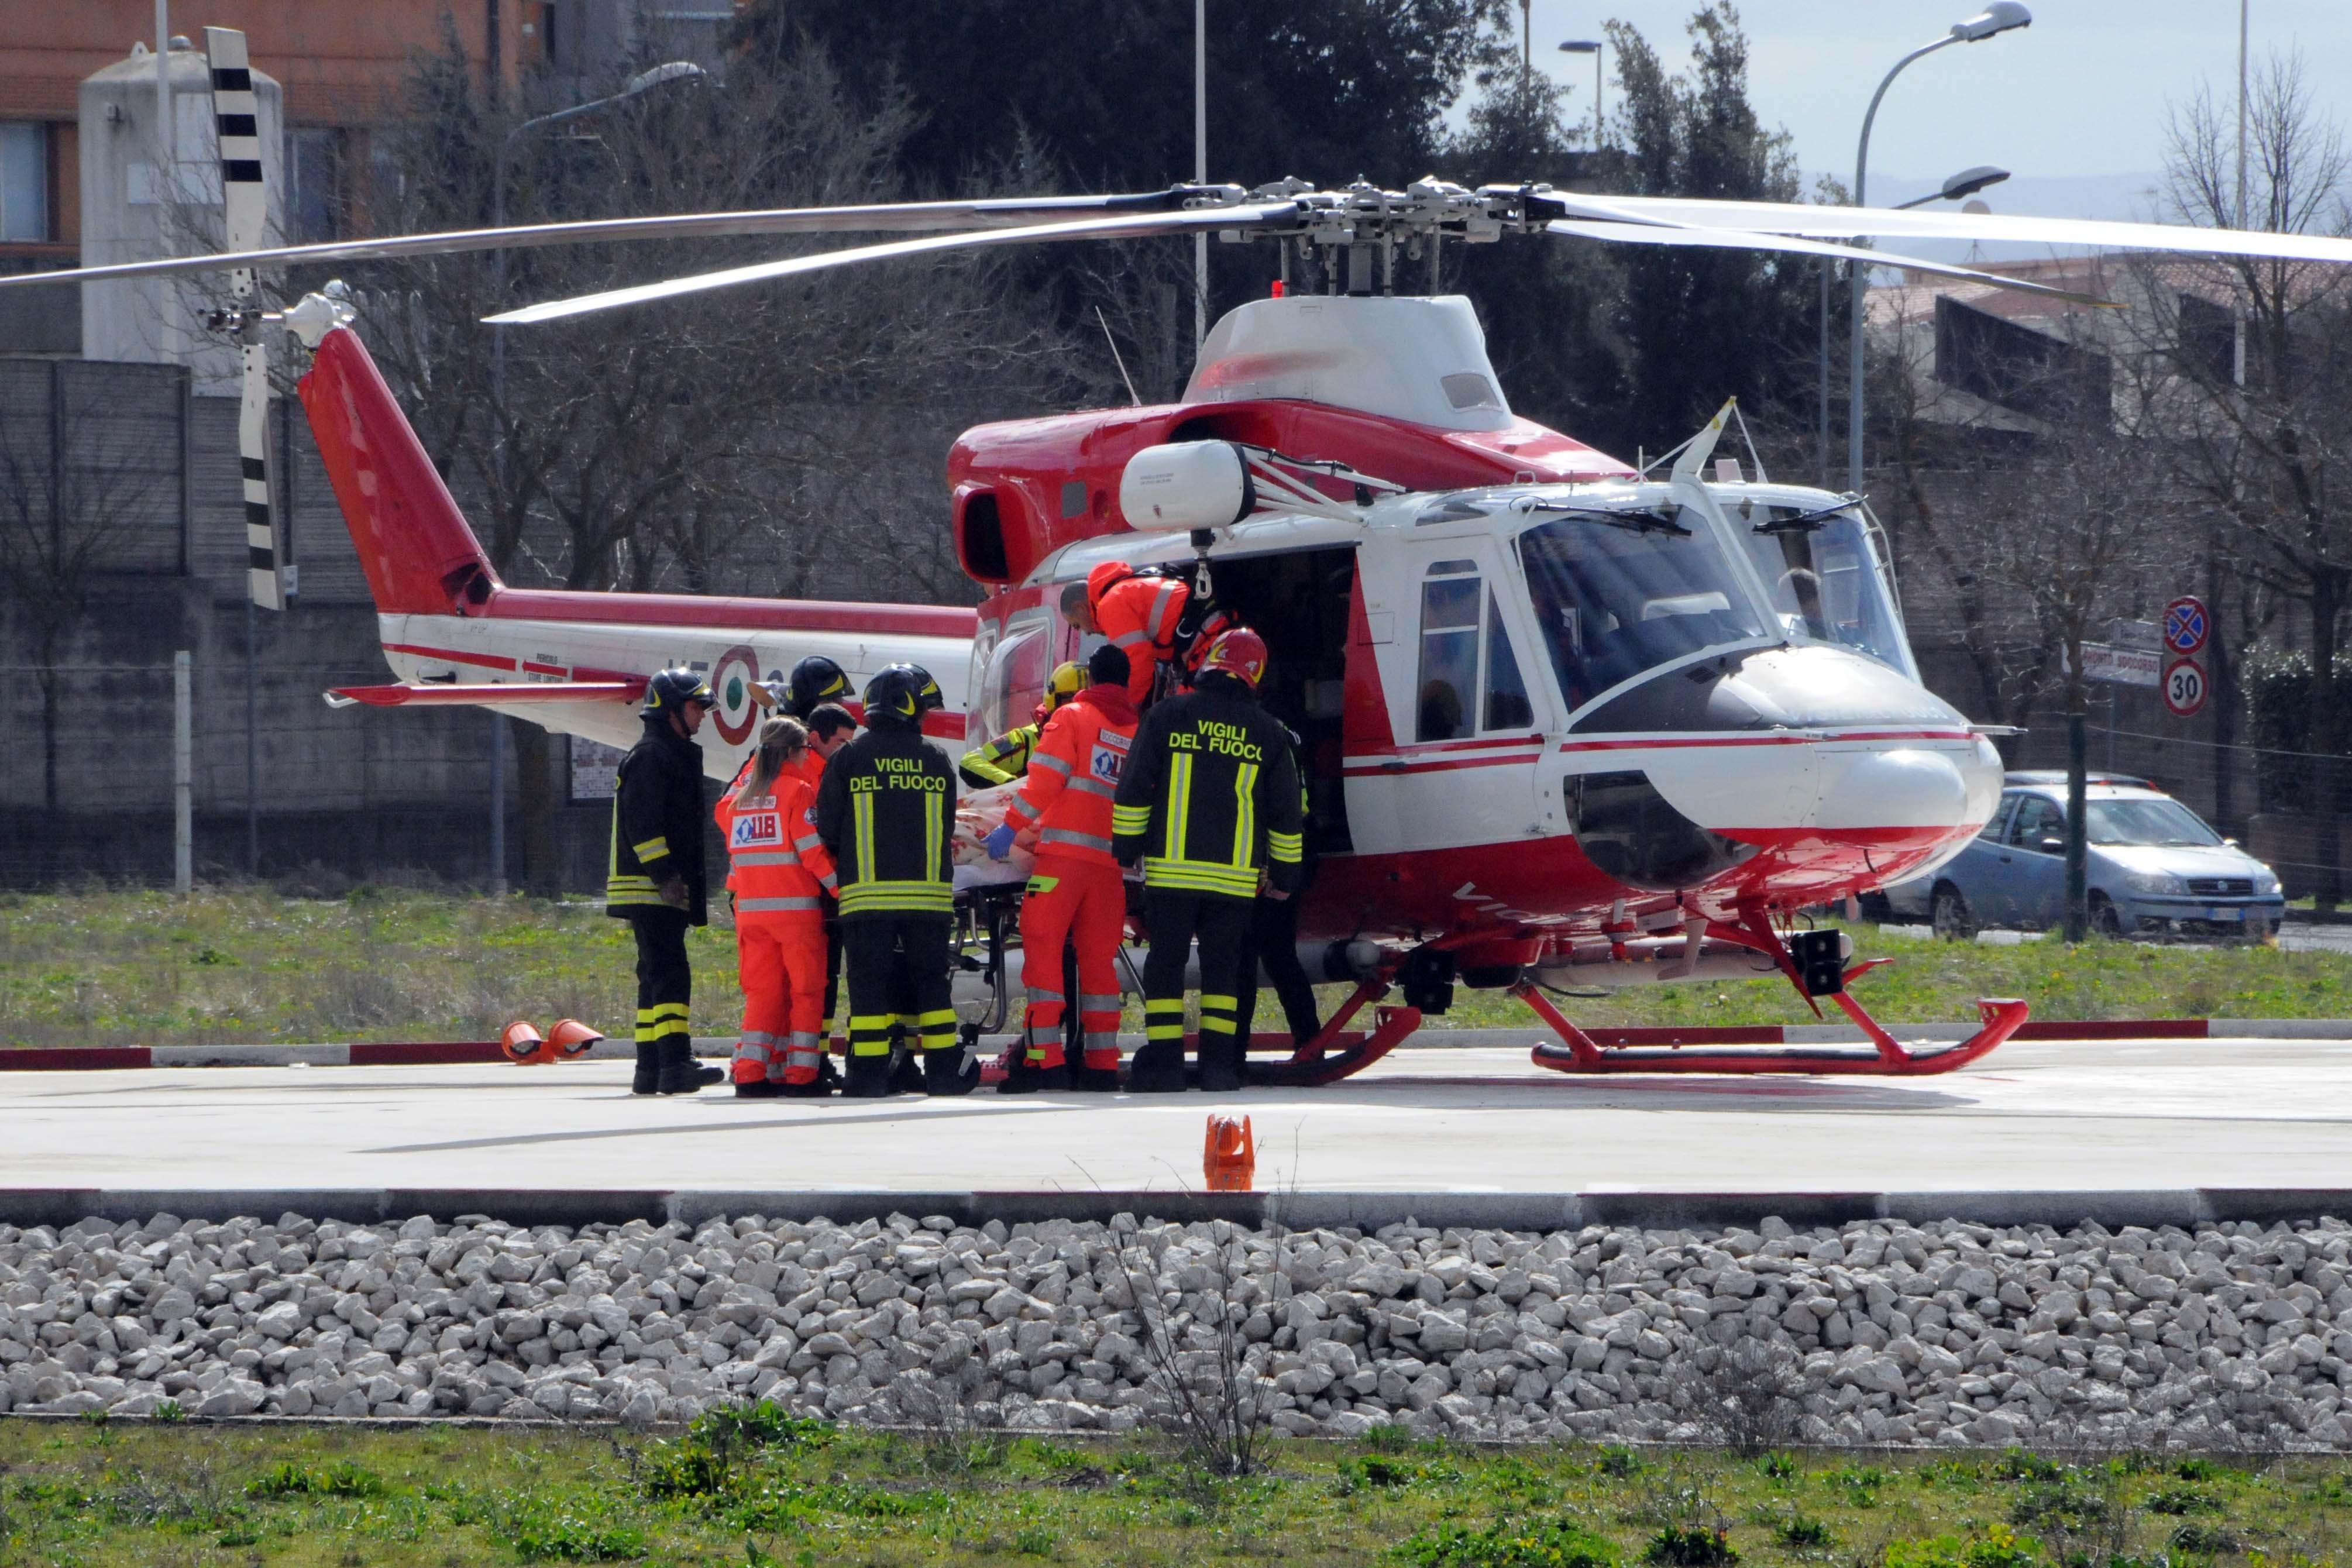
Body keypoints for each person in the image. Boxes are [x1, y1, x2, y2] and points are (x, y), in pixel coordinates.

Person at [1112, 628, 1304, 1093]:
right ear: (1255, 675)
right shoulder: (1269, 733)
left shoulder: (1167, 715)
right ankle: (1219, 1068)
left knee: (1166, 966)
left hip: (1172, 874)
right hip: (1234, 882)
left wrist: (1126, 849)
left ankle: (1165, 1066)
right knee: (1224, 972)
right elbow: (1285, 813)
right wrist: (1284, 876)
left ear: (1211, 661)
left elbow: (1136, 787)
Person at [985, 644, 1137, 1093]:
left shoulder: (1072, 717)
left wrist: (1009, 829)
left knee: (1044, 952)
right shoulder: (1137, 729)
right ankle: (1103, 1064)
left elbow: (1045, 781)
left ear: (1089, 680)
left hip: (1063, 862)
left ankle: (1044, 1062)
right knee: (1099, 966)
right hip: (1110, 868)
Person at [814, 663, 968, 1098]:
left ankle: (866, 1077)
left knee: (868, 988)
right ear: (910, 708)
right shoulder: (937, 760)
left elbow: (826, 827)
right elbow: (948, 822)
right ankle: (943, 1072)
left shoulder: (848, 758)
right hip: (929, 900)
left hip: (866, 899)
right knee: (931, 985)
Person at [606, 666, 726, 1096]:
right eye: (696, 708)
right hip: (652, 888)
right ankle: (675, 1062)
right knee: (671, 973)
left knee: (654, 974)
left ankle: (650, 1067)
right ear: (671, 710)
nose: (702, 717)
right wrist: (665, 878)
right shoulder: (653, 755)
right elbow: (643, 824)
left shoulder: (666, 752)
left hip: (657, 886)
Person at [715, 716, 838, 1099]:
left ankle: (751, 1073)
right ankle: (802, 1074)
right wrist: (843, 892)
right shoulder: (797, 792)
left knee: (763, 993)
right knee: (806, 990)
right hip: (796, 913)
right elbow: (812, 853)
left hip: (751, 914)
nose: (808, 757)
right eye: (805, 750)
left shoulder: (740, 800)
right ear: (790, 751)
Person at [1237, 723, 1323, 1049]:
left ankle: (1233, 1052)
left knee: (1244, 957)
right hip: (1288, 858)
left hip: (1263, 861)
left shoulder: (1257, 736)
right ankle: (1310, 1040)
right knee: (1280, 956)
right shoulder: (1285, 735)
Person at [1062, 562, 1190, 704]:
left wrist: (1127, 709)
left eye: (1077, 625)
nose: (1086, 633)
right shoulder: (1123, 591)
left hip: (1202, 639)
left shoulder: (1111, 605)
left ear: (1080, 608)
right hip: (1197, 639)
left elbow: (1138, 663)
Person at [960, 661, 1085, 787]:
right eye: (1069, 700)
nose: (1077, 708)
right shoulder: (1028, 739)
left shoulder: (1100, 740)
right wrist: (1012, 785)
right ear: (1052, 701)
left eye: (1085, 702)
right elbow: (971, 761)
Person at [783, 655, 853, 720]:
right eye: (831, 699)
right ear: (808, 705)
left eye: (839, 697)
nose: (840, 702)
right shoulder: (790, 732)